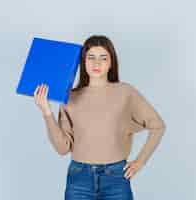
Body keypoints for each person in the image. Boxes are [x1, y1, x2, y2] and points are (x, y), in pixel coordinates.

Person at [33, 35, 166, 200]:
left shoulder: (125, 92)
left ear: (111, 63)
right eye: (91, 57)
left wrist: (140, 162)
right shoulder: (69, 97)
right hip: (79, 179)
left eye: (103, 58)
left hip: (116, 178)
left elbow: (158, 125)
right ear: (83, 62)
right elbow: (62, 148)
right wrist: (47, 112)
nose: (96, 63)